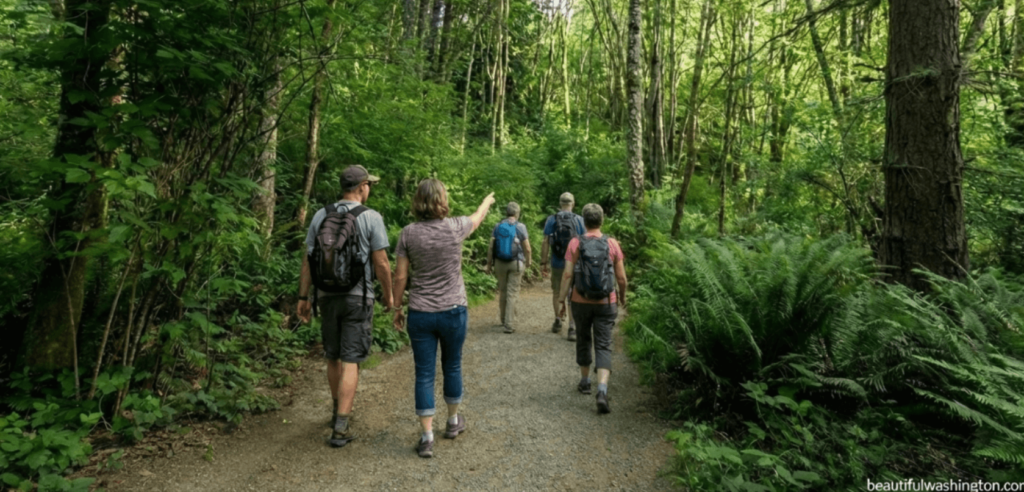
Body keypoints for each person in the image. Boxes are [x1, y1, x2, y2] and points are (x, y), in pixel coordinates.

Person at [392, 179, 495, 458]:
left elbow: (400, 276)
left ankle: (426, 437)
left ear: (417, 202)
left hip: (421, 313)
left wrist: (396, 308)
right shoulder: (455, 227)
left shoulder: (408, 234)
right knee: (452, 365)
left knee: (424, 373)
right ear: (442, 200)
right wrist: (487, 201)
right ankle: (452, 422)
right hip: (453, 310)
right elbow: (477, 218)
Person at [297, 165, 393, 448]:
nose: (369, 189)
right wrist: (389, 297)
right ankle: (341, 424)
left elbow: (309, 259)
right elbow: (382, 263)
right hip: (358, 298)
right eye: (369, 185)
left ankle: (335, 409)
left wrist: (303, 297)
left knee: (333, 356)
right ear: (362, 186)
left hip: (326, 296)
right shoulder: (371, 217)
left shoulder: (320, 214)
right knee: (351, 359)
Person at [557, 203, 627, 414]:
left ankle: (585, 381)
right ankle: (602, 390)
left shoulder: (576, 242)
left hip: (580, 301)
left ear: (584, 222)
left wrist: (561, 301)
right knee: (604, 344)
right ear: (601, 221)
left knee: (583, 338)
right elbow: (622, 278)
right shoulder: (612, 244)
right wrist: (622, 297)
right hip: (607, 302)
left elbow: (568, 275)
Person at [541, 192, 586, 341]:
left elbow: (546, 242)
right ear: (572, 204)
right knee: (573, 293)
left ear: (560, 204)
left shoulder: (551, 219)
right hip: (574, 263)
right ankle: (572, 328)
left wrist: (543, 262)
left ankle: (558, 321)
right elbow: (585, 243)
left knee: (556, 292)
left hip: (557, 262)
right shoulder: (580, 220)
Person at [485, 202, 531, 334]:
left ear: (506, 212)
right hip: (516, 263)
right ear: (517, 213)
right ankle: (509, 324)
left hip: (499, 262)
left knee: (503, 291)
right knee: (513, 292)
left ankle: (503, 319)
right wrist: (528, 261)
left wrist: (489, 264)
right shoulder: (520, 226)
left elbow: (491, 247)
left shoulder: (498, 226)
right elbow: (527, 247)